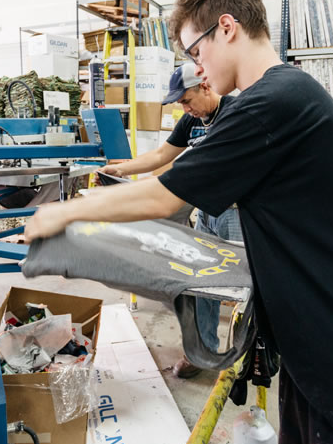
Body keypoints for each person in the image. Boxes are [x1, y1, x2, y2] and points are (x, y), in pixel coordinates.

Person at [27, 0, 333, 444]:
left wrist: (64, 211)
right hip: (323, 355)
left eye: (195, 52)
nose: (196, 69)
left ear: (226, 28)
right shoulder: (281, 98)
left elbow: (163, 195)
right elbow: (174, 178)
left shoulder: (272, 104)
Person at [99, 62, 243, 379]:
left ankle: (249, 358)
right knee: (198, 284)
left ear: (206, 86)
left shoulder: (238, 113)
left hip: (237, 214)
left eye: (186, 99)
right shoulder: (191, 121)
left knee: (244, 291)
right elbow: (162, 156)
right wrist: (121, 170)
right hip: (206, 212)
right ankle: (202, 353)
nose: (184, 107)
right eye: (179, 102)